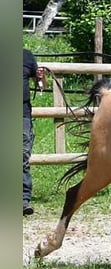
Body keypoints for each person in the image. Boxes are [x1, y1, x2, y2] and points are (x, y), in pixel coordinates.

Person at [23, 48, 46, 216]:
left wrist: (40, 77)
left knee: (22, 156)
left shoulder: (27, 56)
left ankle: (23, 200)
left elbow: (41, 86)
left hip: (22, 114)